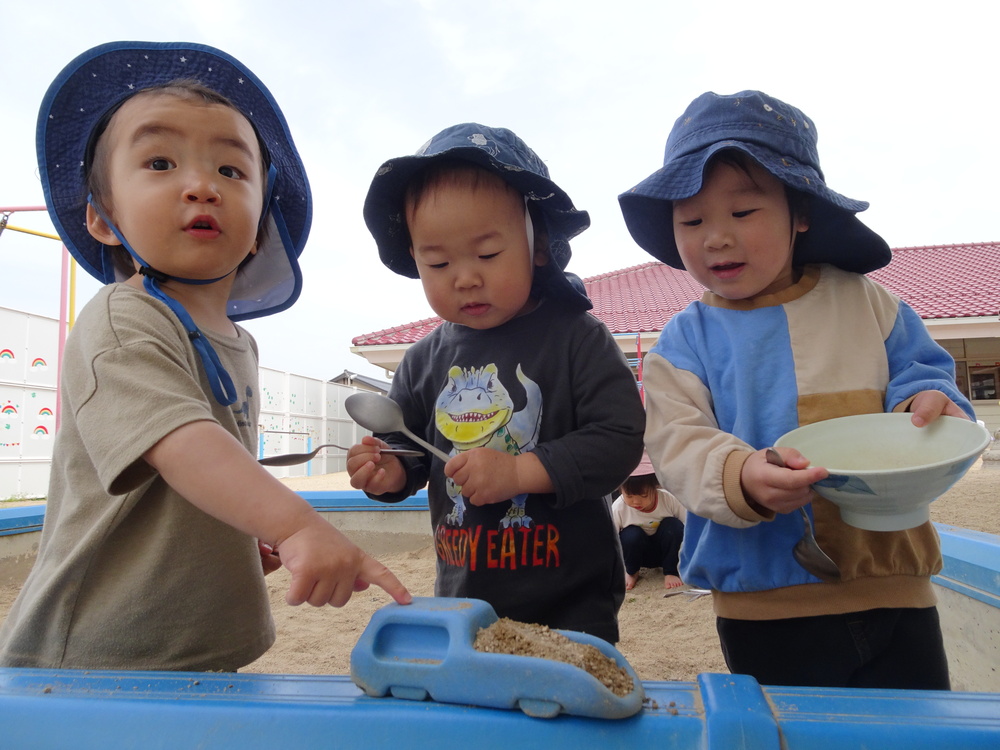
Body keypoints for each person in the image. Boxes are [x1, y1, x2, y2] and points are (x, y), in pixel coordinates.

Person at [0, 42, 410, 672]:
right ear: (103, 220)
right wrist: (297, 523)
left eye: (231, 171)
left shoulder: (239, 342)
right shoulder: (122, 317)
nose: (201, 186)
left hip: (195, 642)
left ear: (261, 225)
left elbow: (200, 478)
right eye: (160, 161)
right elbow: (182, 442)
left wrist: (240, 531)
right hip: (98, 652)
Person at [618, 90, 975, 689]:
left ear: (799, 211)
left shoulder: (866, 302)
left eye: (742, 212)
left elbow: (922, 372)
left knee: (918, 731)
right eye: (693, 220)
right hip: (764, 599)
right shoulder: (684, 341)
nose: (716, 238)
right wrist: (739, 475)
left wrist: (924, 404)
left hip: (894, 578)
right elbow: (677, 444)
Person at [349, 123, 645, 643]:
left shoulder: (577, 337)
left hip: (573, 604)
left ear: (539, 246)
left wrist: (521, 471)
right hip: (466, 600)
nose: (464, 277)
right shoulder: (422, 360)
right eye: (437, 262)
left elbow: (619, 440)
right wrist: (387, 471)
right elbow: (411, 450)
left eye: (487, 254)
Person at [611, 453, 685, 591]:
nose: (636, 501)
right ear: (621, 490)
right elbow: (610, 539)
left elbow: (688, 528)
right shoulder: (619, 508)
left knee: (673, 526)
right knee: (631, 534)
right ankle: (632, 572)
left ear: (655, 487)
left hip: (666, 552)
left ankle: (671, 571)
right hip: (637, 554)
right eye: (629, 496)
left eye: (644, 495)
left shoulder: (669, 500)